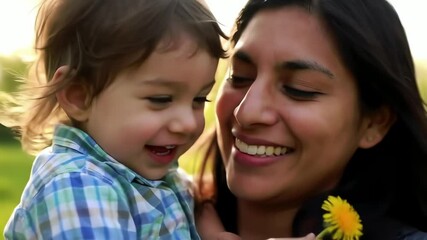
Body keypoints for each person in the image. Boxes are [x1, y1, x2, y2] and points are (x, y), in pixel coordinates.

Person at [194, 0, 427, 239]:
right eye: (240, 76)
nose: (247, 112)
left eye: (299, 89)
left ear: (374, 123)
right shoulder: (163, 208)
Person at [1, 0, 227, 238]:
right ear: (79, 97)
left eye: (199, 99)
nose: (188, 124)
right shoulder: (77, 185)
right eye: (161, 99)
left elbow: (198, 201)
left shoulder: (154, 175)